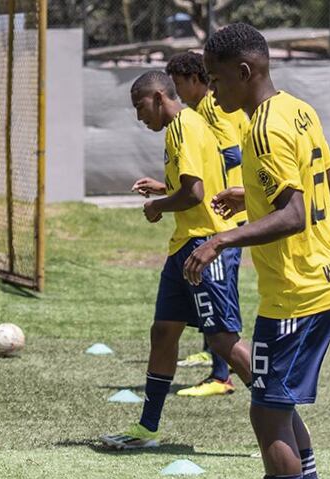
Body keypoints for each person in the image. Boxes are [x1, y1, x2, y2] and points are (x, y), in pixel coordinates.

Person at [185, 23, 330, 479]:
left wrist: (221, 238)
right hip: (320, 281)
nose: (211, 89)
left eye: (216, 78)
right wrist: (250, 195)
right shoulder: (299, 110)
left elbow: (295, 214)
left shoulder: (262, 131)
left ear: (245, 72)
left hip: (297, 291)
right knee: (278, 403)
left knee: (266, 410)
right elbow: (328, 187)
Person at [99, 71, 250, 451]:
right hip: (183, 246)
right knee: (163, 331)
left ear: (158, 96)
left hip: (206, 244)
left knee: (223, 339)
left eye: (140, 106)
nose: (139, 117)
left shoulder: (183, 126)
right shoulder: (186, 126)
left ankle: (282, 410)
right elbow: (197, 183)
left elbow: (195, 195)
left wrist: (157, 206)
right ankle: (147, 428)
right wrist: (165, 189)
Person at [167, 50, 250, 398]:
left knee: (222, 295)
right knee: (213, 292)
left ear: (194, 79)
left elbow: (233, 153)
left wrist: (214, 180)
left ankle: (222, 375)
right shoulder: (202, 110)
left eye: (178, 83)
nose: (176, 91)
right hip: (221, 212)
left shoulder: (213, 108)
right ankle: (217, 360)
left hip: (227, 215)